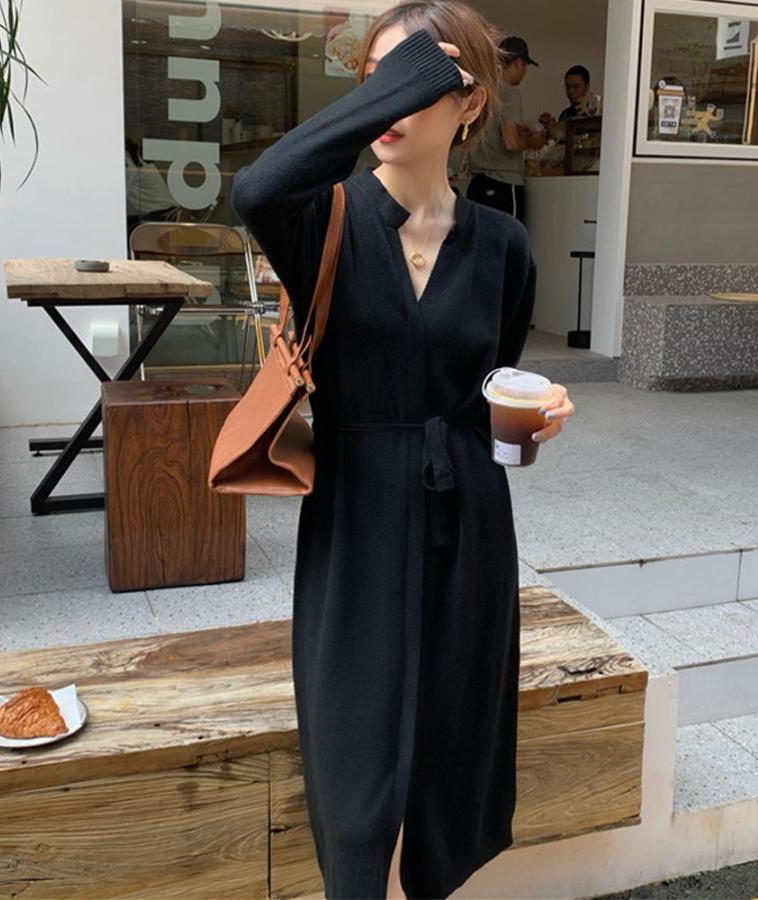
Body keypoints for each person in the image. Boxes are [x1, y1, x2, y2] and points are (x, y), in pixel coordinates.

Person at [229, 2, 575, 898]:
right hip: (357, 514)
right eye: (380, 77)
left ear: (470, 103)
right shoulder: (324, 220)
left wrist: (535, 419)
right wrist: (404, 82)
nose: (392, 98)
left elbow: (486, 390)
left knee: (450, 749)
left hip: (469, 519)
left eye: (424, 79)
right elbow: (256, 190)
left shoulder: (504, 245)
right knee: (355, 764)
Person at [465, 35, 546, 223]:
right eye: (525, 66)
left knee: (479, 240)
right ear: (518, 62)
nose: (524, 72)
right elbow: (512, 143)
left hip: (477, 186)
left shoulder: (481, 91)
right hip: (503, 185)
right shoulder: (510, 93)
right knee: (509, 241)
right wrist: (536, 140)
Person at [124, 138, 179, 238]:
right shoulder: (136, 160)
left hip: (159, 216)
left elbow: (117, 199)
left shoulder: (129, 164)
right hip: (160, 213)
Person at [539, 64, 601, 138]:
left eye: (576, 87)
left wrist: (556, 132)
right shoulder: (566, 114)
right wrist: (551, 127)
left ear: (587, 87)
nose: (571, 91)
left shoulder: (594, 114)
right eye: (568, 87)